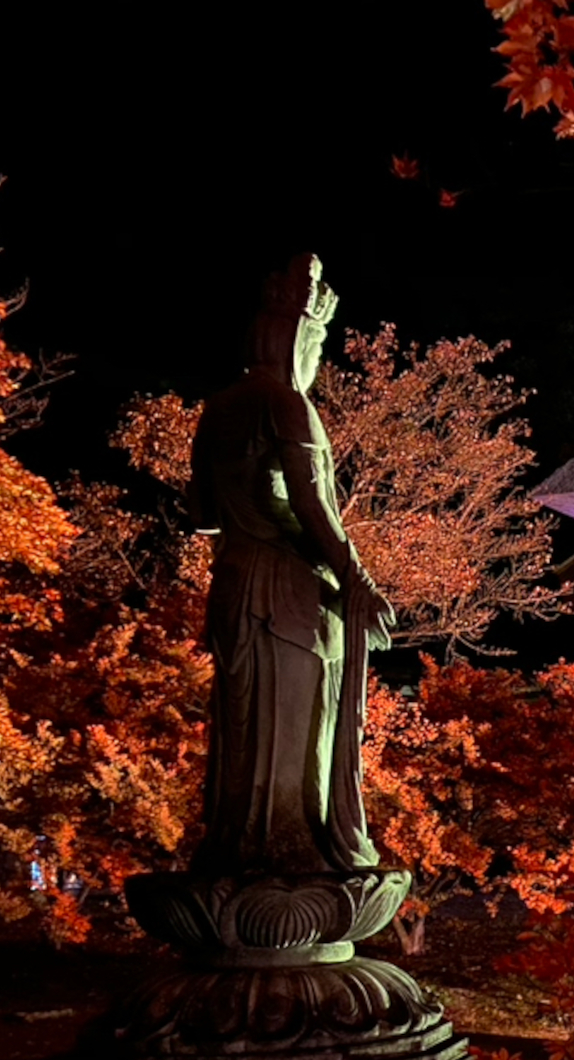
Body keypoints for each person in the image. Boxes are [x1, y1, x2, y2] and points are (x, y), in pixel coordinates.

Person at [188, 254, 393, 874]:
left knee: (244, 727)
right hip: (287, 591)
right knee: (299, 727)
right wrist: (359, 581)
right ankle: (289, 847)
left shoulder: (218, 409)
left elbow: (199, 511)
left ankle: (235, 846)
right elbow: (313, 508)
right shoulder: (288, 406)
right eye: (319, 342)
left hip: (233, 581)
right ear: (299, 336)